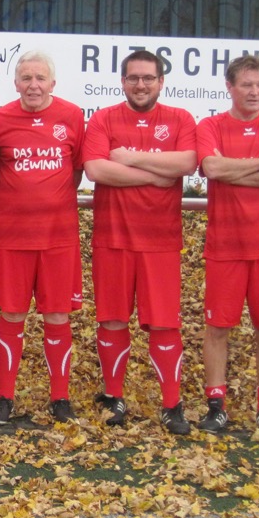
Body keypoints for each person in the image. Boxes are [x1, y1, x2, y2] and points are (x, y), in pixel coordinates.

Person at [82, 50, 197, 435]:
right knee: (112, 318)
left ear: (161, 81)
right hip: (112, 237)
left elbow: (185, 164)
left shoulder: (180, 119)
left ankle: (171, 404)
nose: (141, 84)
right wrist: (154, 173)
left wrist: (129, 158)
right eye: (133, 78)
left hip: (160, 240)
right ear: (122, 81)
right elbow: (96, 169)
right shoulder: (103, 118)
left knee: (164, 323)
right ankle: (113, 396)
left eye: (148, 78)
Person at [194, 55, 259, 437]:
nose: (254, 92)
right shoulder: (211, 125)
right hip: (225, 245)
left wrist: (236, 168)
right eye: (246, 85)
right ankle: (216, 405)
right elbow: (212, 169)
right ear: (230, 87)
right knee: (217, 329)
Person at [0, 51, 84, 425]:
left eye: (40, 78)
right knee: (12, 314)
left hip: (59, 237)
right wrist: (18, 206)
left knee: (57, 315)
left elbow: (74, 173)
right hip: (13, 236)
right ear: (16, 83)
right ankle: (4, 396)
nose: (33, 85)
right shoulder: (0, 119)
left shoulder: (72, 116)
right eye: (26, 78)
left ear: (52, 83)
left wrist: (47, 203)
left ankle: (60, 397)